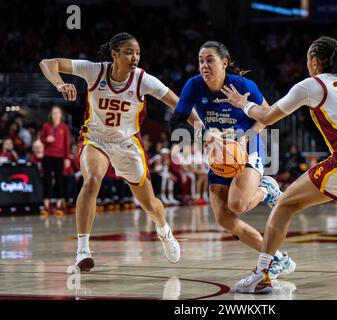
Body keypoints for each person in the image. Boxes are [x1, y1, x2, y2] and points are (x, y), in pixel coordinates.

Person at [218, 36, 337, 293]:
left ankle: (262, 274)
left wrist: (244, 104)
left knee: (285, 204)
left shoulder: (313, 85)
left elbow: (267, 116)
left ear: (314, 61)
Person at [39, 32, 201, 270]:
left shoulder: (143, 80)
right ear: (114, 54)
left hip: (127, 143)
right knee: (92, 180)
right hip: (95, 138)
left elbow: (180, 105)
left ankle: (164, 231)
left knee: (150, 205)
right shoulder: (94, 71)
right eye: (128, 52)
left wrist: (201, 127)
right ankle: (83, 249)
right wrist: (60, 83)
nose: (135, 57)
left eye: (137, 52)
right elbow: (48, 63)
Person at [170, 41, 295, 279]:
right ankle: (278, 258)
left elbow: (268, 114)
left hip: (247, 145)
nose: (204, 65)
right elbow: (176, 121)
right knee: (224, 217)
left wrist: (246, 137)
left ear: (224, 63)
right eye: (200, 60)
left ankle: (266, 189)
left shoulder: (241, 85)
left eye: (209, 60)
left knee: (237, 205)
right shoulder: (194, 86)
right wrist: (204, 133)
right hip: (219, 150)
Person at [39, 105, 71, 215]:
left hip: (60, 157)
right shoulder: (46, 126)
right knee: (47, 180)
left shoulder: (64, 127)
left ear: (61, 115)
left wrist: (67, 158)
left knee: (59, 180)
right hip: (47, 156)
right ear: (51, 115)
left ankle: (58, 205)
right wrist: (46, 140)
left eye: (58, 113)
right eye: (54, 113)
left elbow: (67, 144)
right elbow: (41, 139)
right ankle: (46, 205)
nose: (56, 115)